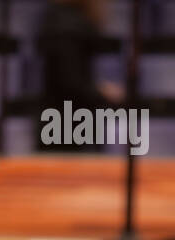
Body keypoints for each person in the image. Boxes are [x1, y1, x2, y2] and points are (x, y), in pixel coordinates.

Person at [35, 0, 125, 151]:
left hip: (61, 121)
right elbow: (70, 82)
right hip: (67, 126)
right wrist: (102, 92)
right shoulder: (68, 29)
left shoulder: (59, 21)